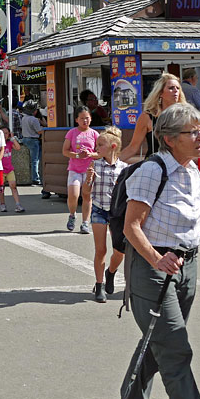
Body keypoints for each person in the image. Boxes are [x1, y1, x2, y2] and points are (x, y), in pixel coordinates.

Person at [118, 103, 200, 399]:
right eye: (195, 132)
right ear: (171, 138)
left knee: (159, 343)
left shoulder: (191, 172)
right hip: (152, 268)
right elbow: (131, 226)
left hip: (187, 265)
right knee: (175, 349)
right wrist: (155, 259)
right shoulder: (153, 170)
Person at [82, 126, 127, 303]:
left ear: (113, 147)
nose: (96, 148)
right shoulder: (95, 165)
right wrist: (88, 179)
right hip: (99, 209)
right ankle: (99, 285)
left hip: (117, 212)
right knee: (101, 249)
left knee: (120, 251)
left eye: (100, 145)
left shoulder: (124, 168)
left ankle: (111, 272)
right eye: (97, 144)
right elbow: (86, 194)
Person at [119, 73, 186, 161]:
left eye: (178, 88)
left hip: (179, 165)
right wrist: (112, 163)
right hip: (154, 165)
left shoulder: (184, 116)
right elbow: (132, 148)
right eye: (171, 88)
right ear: (160, 93)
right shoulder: (147, 117)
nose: (175, 90)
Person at [62, 106, 99, 234]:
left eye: (87, 118)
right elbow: (65, 151)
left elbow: (100, 152)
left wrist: (90, 154)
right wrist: (77, 155)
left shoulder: (94, 134)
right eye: (82, 118)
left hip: (89, 170)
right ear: (77, 119)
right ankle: (72, 215)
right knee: (73, 195)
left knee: (87, 195)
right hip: (74, 169)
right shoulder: (72, 133)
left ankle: (85, 223)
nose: (85, 121)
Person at [0, 126, 24, 213]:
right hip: (0, 169)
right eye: (2, 133)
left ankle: (18, 204)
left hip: (9, 169)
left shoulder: (9, 143)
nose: (4, 135)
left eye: (6, 133)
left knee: (13, 186)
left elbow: (18, 147)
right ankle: (2, 205)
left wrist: (12, 138)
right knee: (1, 188)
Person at [21, 101, 43, 185]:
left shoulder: (24, 118)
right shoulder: (33, 120)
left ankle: (34, 177)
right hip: (33, 140)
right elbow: (39, 131)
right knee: (35, 160)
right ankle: (35, 178)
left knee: (30, 160)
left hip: (25, 139)